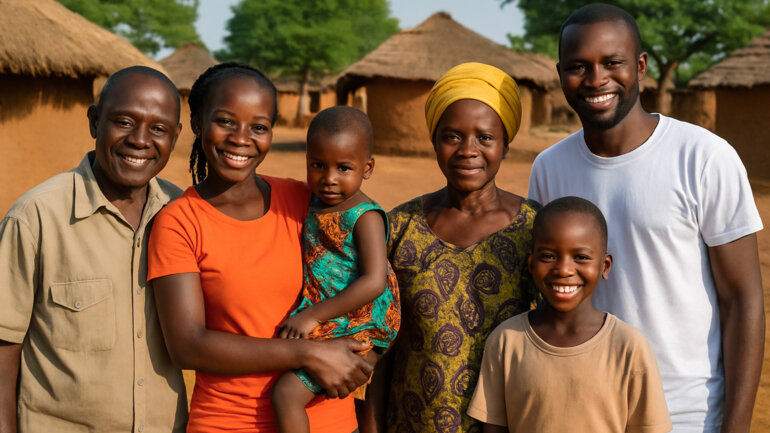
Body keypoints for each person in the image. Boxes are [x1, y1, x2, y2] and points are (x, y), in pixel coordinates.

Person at [527, 4, 765, 432]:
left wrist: (737, 428)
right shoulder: (549, 167)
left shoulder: (703, 158)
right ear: (560, 73)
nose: (596, 79)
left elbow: (742, 300)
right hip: (580, 409)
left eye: (612, 63)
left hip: (685, 415)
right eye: (579, 66)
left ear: (640, 67)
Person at [147, 62, 374, 433]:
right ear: (197, 123)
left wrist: (361, 358)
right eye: (225, 121)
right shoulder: (179, 222)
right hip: (231, 422)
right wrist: (308, 352)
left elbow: (371, 280)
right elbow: (187, 345)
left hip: (329, 417)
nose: (241, 138)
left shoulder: (305, 200)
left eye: (259, 127)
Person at [0, 66, 188, 432]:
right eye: (124, 121)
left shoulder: (181, 214)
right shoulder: (36, 217)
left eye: (159, 129)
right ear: (94, 121)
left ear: (176, 136)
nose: (140, 140)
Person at [360, 62, 541, 433]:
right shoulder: (399, 228)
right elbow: (383, 346)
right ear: (434, 141)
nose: (467, 150)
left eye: (485, 138)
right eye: (452, 136)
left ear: (506, 144)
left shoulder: (535, 230)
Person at [467, 196, 672, 433]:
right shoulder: (506, 341)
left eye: (581, 257)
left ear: (605, 266)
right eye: (548, 256)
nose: (564, 269)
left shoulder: (628, 347)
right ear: (531, 265)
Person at [270, 106, 400, 433]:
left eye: (344, 168)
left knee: (286, 393)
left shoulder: (364, 216)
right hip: (334, 314)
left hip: (363, 319)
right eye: (317, 165)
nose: (328, 178)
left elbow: (373, 282)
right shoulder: (314, 201)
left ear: (367, 168)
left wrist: (312, 316)